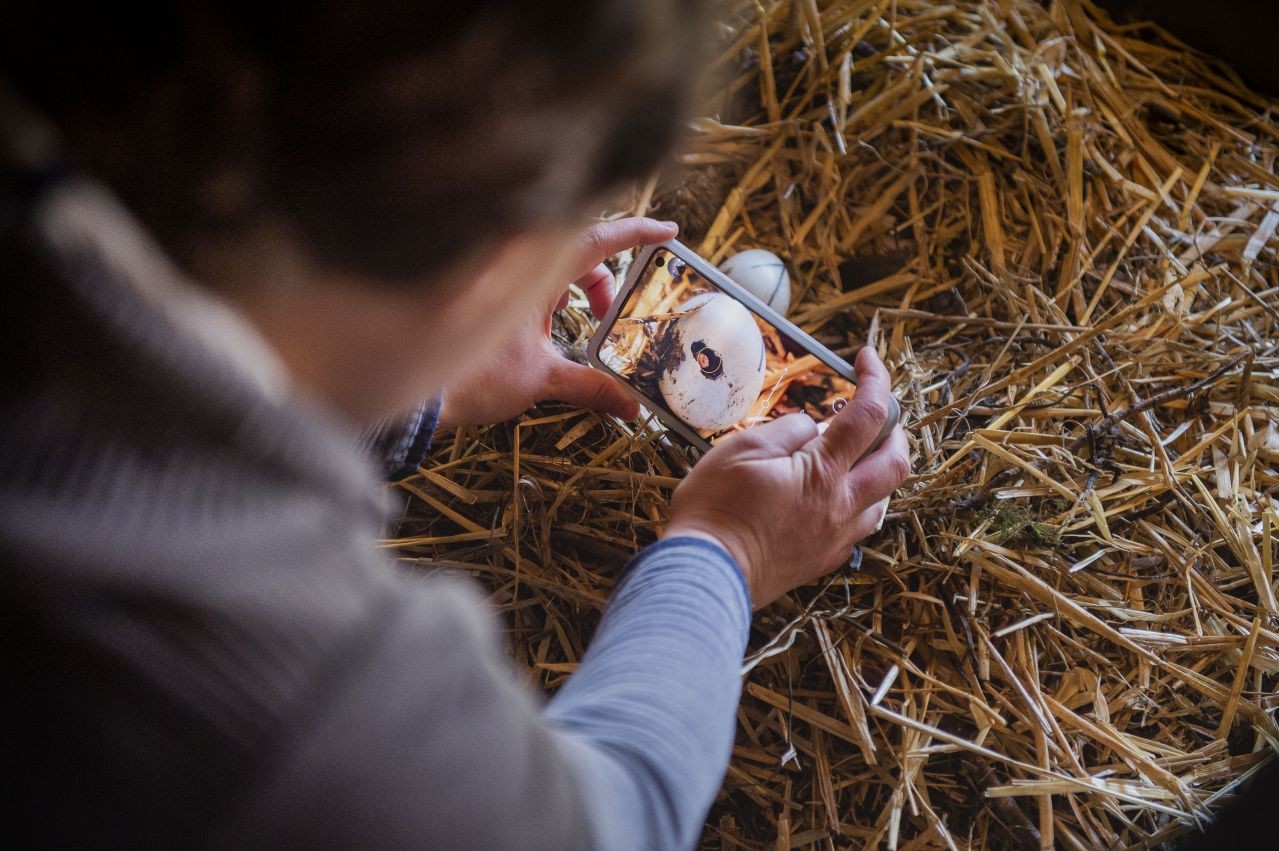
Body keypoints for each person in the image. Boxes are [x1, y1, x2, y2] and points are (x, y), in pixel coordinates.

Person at [0, 2, 910, 848]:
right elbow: (607, 818)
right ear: (492, 269)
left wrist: (408, 386)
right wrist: (723, 550)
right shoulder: (299, 679)